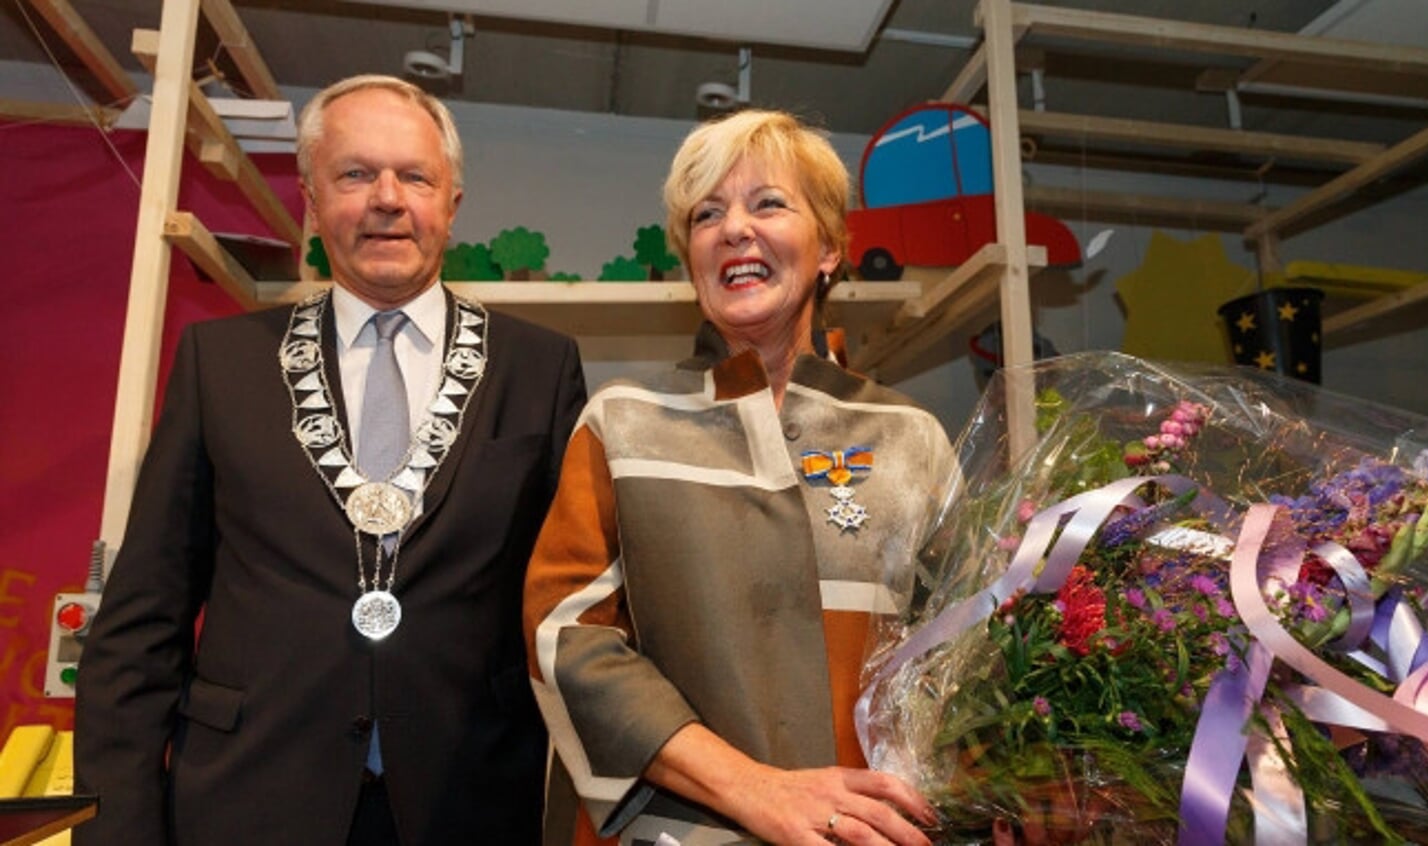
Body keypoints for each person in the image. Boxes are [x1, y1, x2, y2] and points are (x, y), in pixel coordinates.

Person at [74, 74, 587, 845]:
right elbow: (142, 621)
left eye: (415, 176)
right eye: (355, 174)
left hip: (469, 802)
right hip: (248, 800)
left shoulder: (539, 370)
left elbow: (577, 609)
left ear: (451, 204)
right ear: (312, 201)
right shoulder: (222, 365)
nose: (387, 197)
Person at [523, 109, 954, 846]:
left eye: (769, 204)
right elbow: (564, 636)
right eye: (706, 215)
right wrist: (752, 789)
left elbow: (965, 653)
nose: (733, 230)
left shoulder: (911, 437)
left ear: (829, 248)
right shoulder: (621, 423)